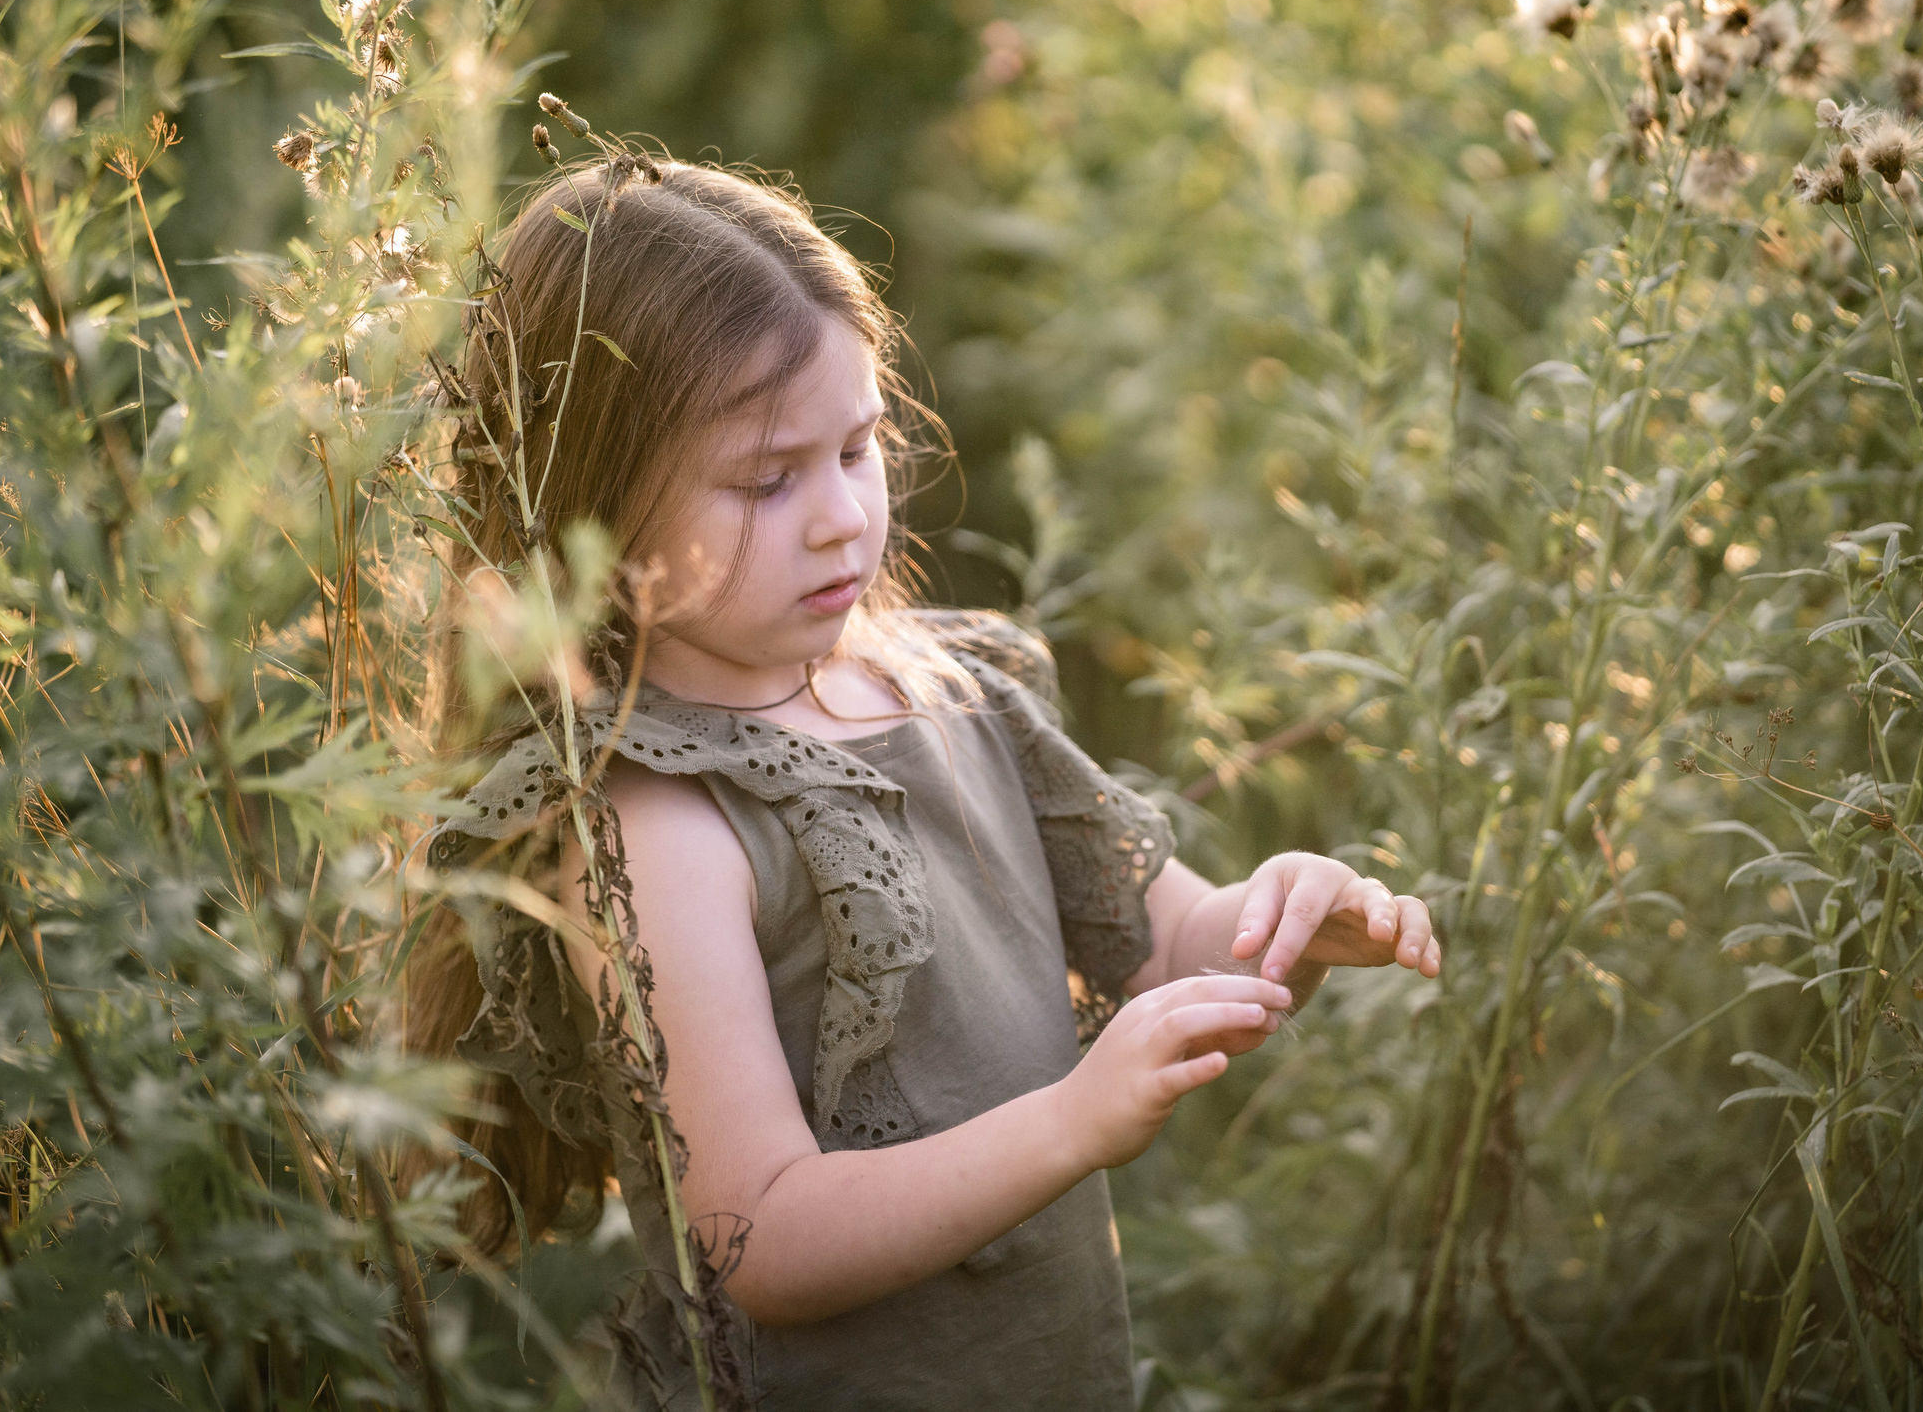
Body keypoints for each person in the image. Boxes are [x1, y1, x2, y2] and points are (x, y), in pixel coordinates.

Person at [410, 152, 1440, 1410]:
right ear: (595, 517)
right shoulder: (657, 823)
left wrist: (1279, 919)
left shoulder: (952, 691)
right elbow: (763, 1242)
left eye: (858, 447)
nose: (842, 515)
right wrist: (1074, 1120)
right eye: (766, 480)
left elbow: (1167, 940)